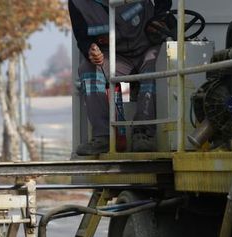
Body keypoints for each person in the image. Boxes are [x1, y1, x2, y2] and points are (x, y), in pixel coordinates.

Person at [69, 0, 172, 155]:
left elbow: (164, 4)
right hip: (116, 56)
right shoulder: (78, 3)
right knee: (89, 69)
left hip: (149, 47)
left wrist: (159, 17)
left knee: (153, 68)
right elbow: (82, 37)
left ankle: (143, 134)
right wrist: (91, 49)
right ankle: (103, 137)